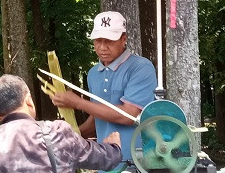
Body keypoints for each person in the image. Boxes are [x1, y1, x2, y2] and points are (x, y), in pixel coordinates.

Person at [47, 11, 157, 155]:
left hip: (137, 161)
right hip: (105, 161)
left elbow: (129, 116)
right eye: (98, 40)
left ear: (124, 39)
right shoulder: (93, 73)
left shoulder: (141, 67)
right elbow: (97, 116)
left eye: (109, 40)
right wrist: (74, 134)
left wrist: (77, 103)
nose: (102, 47)